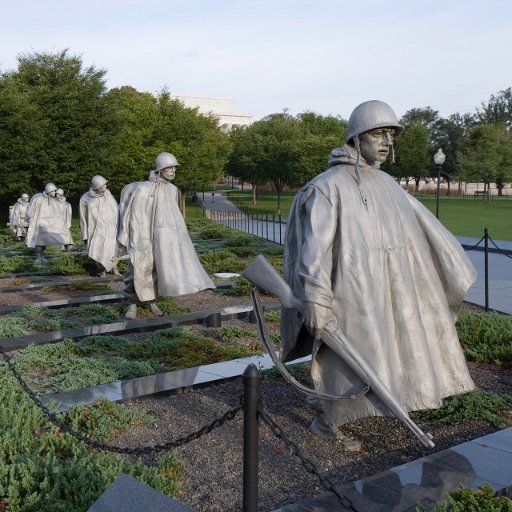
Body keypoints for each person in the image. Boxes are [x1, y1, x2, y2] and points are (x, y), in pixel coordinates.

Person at [281, 100, 476, 451]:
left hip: (389, 287)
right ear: (357, 137)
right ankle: (328, 416)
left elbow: (420, 233)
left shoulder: (387, 183)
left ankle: (368, 402)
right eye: (378, 133)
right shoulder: (328, 186)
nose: (386, 141)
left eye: (391, 134)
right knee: (346, 354)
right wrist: (314, 296)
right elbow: (314, 250)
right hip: (350, 290)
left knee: (388, 352)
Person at [118, 152, 214, 319]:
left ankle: (151, 301)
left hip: (164, 238)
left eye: (174, 168)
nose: (172, 171)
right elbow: (134, 215)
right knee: (137, 268)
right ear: (159, 169)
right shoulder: (142, 188)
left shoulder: (173, 190)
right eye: (168, 168)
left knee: (158, 269)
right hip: (143, 236)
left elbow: (173, 216)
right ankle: (131, 303)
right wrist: (133, 239)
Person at [79, 175, 121, 277]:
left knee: (113, 247)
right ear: (96, 188)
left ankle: (113, 267)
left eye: (105, 185)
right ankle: (101, 269)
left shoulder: (108, 194)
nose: (105, 188)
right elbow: (83, 217)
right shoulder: (86, 198)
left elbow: (115, 209)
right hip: (95, 229)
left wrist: (120, 225)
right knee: (98, 248)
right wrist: (85, 234)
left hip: (111, 227)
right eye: (102, 186)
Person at [25, 183, 74, 263]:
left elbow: (57, 213)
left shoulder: (53, 200)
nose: (55, 192)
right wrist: (29, 219)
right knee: (39, 241)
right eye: (54, 191)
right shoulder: (38, 199)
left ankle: (67, 244)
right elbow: (30, 211)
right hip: (39, 224)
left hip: (49, 223)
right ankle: (38, 256)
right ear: (49, 191)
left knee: (53, 235)